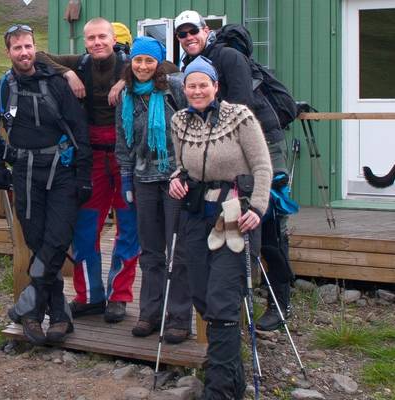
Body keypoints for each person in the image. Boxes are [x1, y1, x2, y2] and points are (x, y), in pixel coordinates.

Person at [175, 10, 294, 331]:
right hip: (228, 153)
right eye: (182, 34)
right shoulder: (194, 66)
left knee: (268, 220)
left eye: (193, 31)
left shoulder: (227, 57)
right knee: (231, 222)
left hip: (261, 145)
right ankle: (234, 299)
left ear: (205, 30)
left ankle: (279, 303)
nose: (188, 38)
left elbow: (241, 105)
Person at [0, 24, 91, 345]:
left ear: (35, 47)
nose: (24, 53)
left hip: (61, 173)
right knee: (38, 241)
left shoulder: (57, 84)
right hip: (24, 173)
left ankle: (29, 311)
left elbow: (78, 129)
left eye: (28, 46)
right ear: (8, 52)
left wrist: (83, 175)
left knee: (56, 240)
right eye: (18, 48)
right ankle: (58, 315)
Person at [169, 56, 271, 398]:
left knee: (223, 300)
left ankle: (219, 390)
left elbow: (262, 166)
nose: (197, 90)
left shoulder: (240, 116)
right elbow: (180, 165)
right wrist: (175, 180)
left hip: (234, 212)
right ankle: (230, 379)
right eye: (192, 85)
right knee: (201, 294)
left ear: (216, 86)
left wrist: (257, 207)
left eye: (204, 84)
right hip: (196, 214)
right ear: (184, 89)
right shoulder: (178, 120)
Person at [36, 18, 139, 323]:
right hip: (91, 159)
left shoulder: (131, 63)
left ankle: (119, 297)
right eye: (91, 38)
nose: (97, 42)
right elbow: (40, 55)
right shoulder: (79, 64)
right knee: (84, 229)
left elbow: (167, 68)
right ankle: (90, 296)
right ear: (85, 41)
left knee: (128, 231)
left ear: (113, 39)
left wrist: (128, 77)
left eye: (102, 37)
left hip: (125, 160)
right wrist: (67, 73)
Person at [114, 36, 192, 343]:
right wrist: (124, 177)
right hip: (142, 178)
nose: (143, 66)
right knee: (150, 250)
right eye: (137, 60)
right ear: (130, 63)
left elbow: (193, 127)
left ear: (158, 63)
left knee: (179, 250)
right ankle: (149, 312)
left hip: (175, 177)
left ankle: (179, 317)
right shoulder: (126, 96)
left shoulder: (175, 89)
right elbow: (122, 139)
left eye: (149, 61)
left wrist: (188, 170)